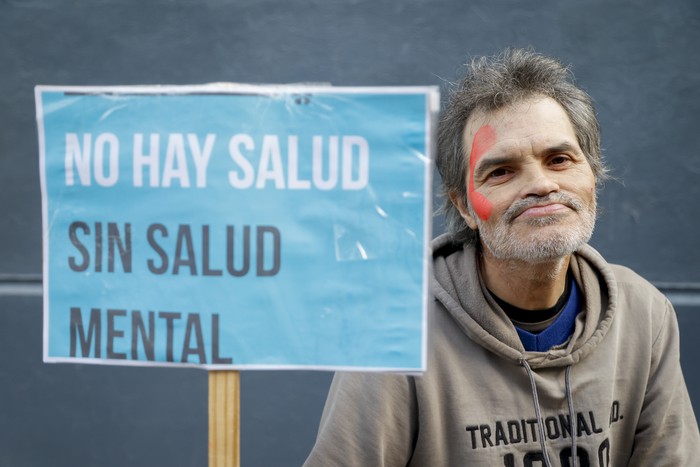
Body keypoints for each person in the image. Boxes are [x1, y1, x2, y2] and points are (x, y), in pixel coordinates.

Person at [303, 48, 700, 466]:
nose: (542, 185)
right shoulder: (393, 331)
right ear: (464, 207)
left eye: (559, 159)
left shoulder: (644, 312)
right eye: (501, 171)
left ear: (592, 174)